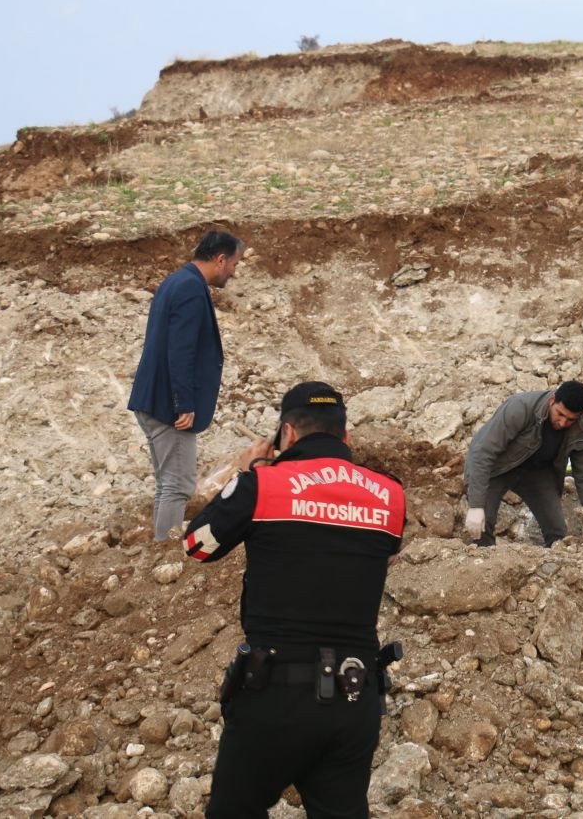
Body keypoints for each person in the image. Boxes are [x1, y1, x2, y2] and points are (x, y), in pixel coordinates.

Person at [183, 382, 405, 819]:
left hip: (275, 695)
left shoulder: (263, 485)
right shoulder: (390, 495)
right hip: (355, 698)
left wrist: (246, 475)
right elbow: (382, 547)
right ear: (346, 437)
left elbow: (197, 545)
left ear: (287, 433)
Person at [128, 230, 243, 540]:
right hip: (169, 406)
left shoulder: (176, 281)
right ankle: (165, 553)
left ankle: (159, 550)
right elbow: (180, 351)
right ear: (220, 259)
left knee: (168, 483)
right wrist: (185, 404)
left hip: (153, 398)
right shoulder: (191, 288)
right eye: (233, 264)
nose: (233, 272)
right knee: (178, 485)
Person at [464, 381, 583, 547]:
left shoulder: (580, 431)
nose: (563, 423)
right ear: (552, 400)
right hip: (498, 468)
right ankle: (484, 563)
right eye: (560, 414)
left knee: (558, 535)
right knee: (481, 529)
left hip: (537, 472)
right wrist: (476, 505)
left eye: (570, 419)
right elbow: (483, 453)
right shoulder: (520, 408)